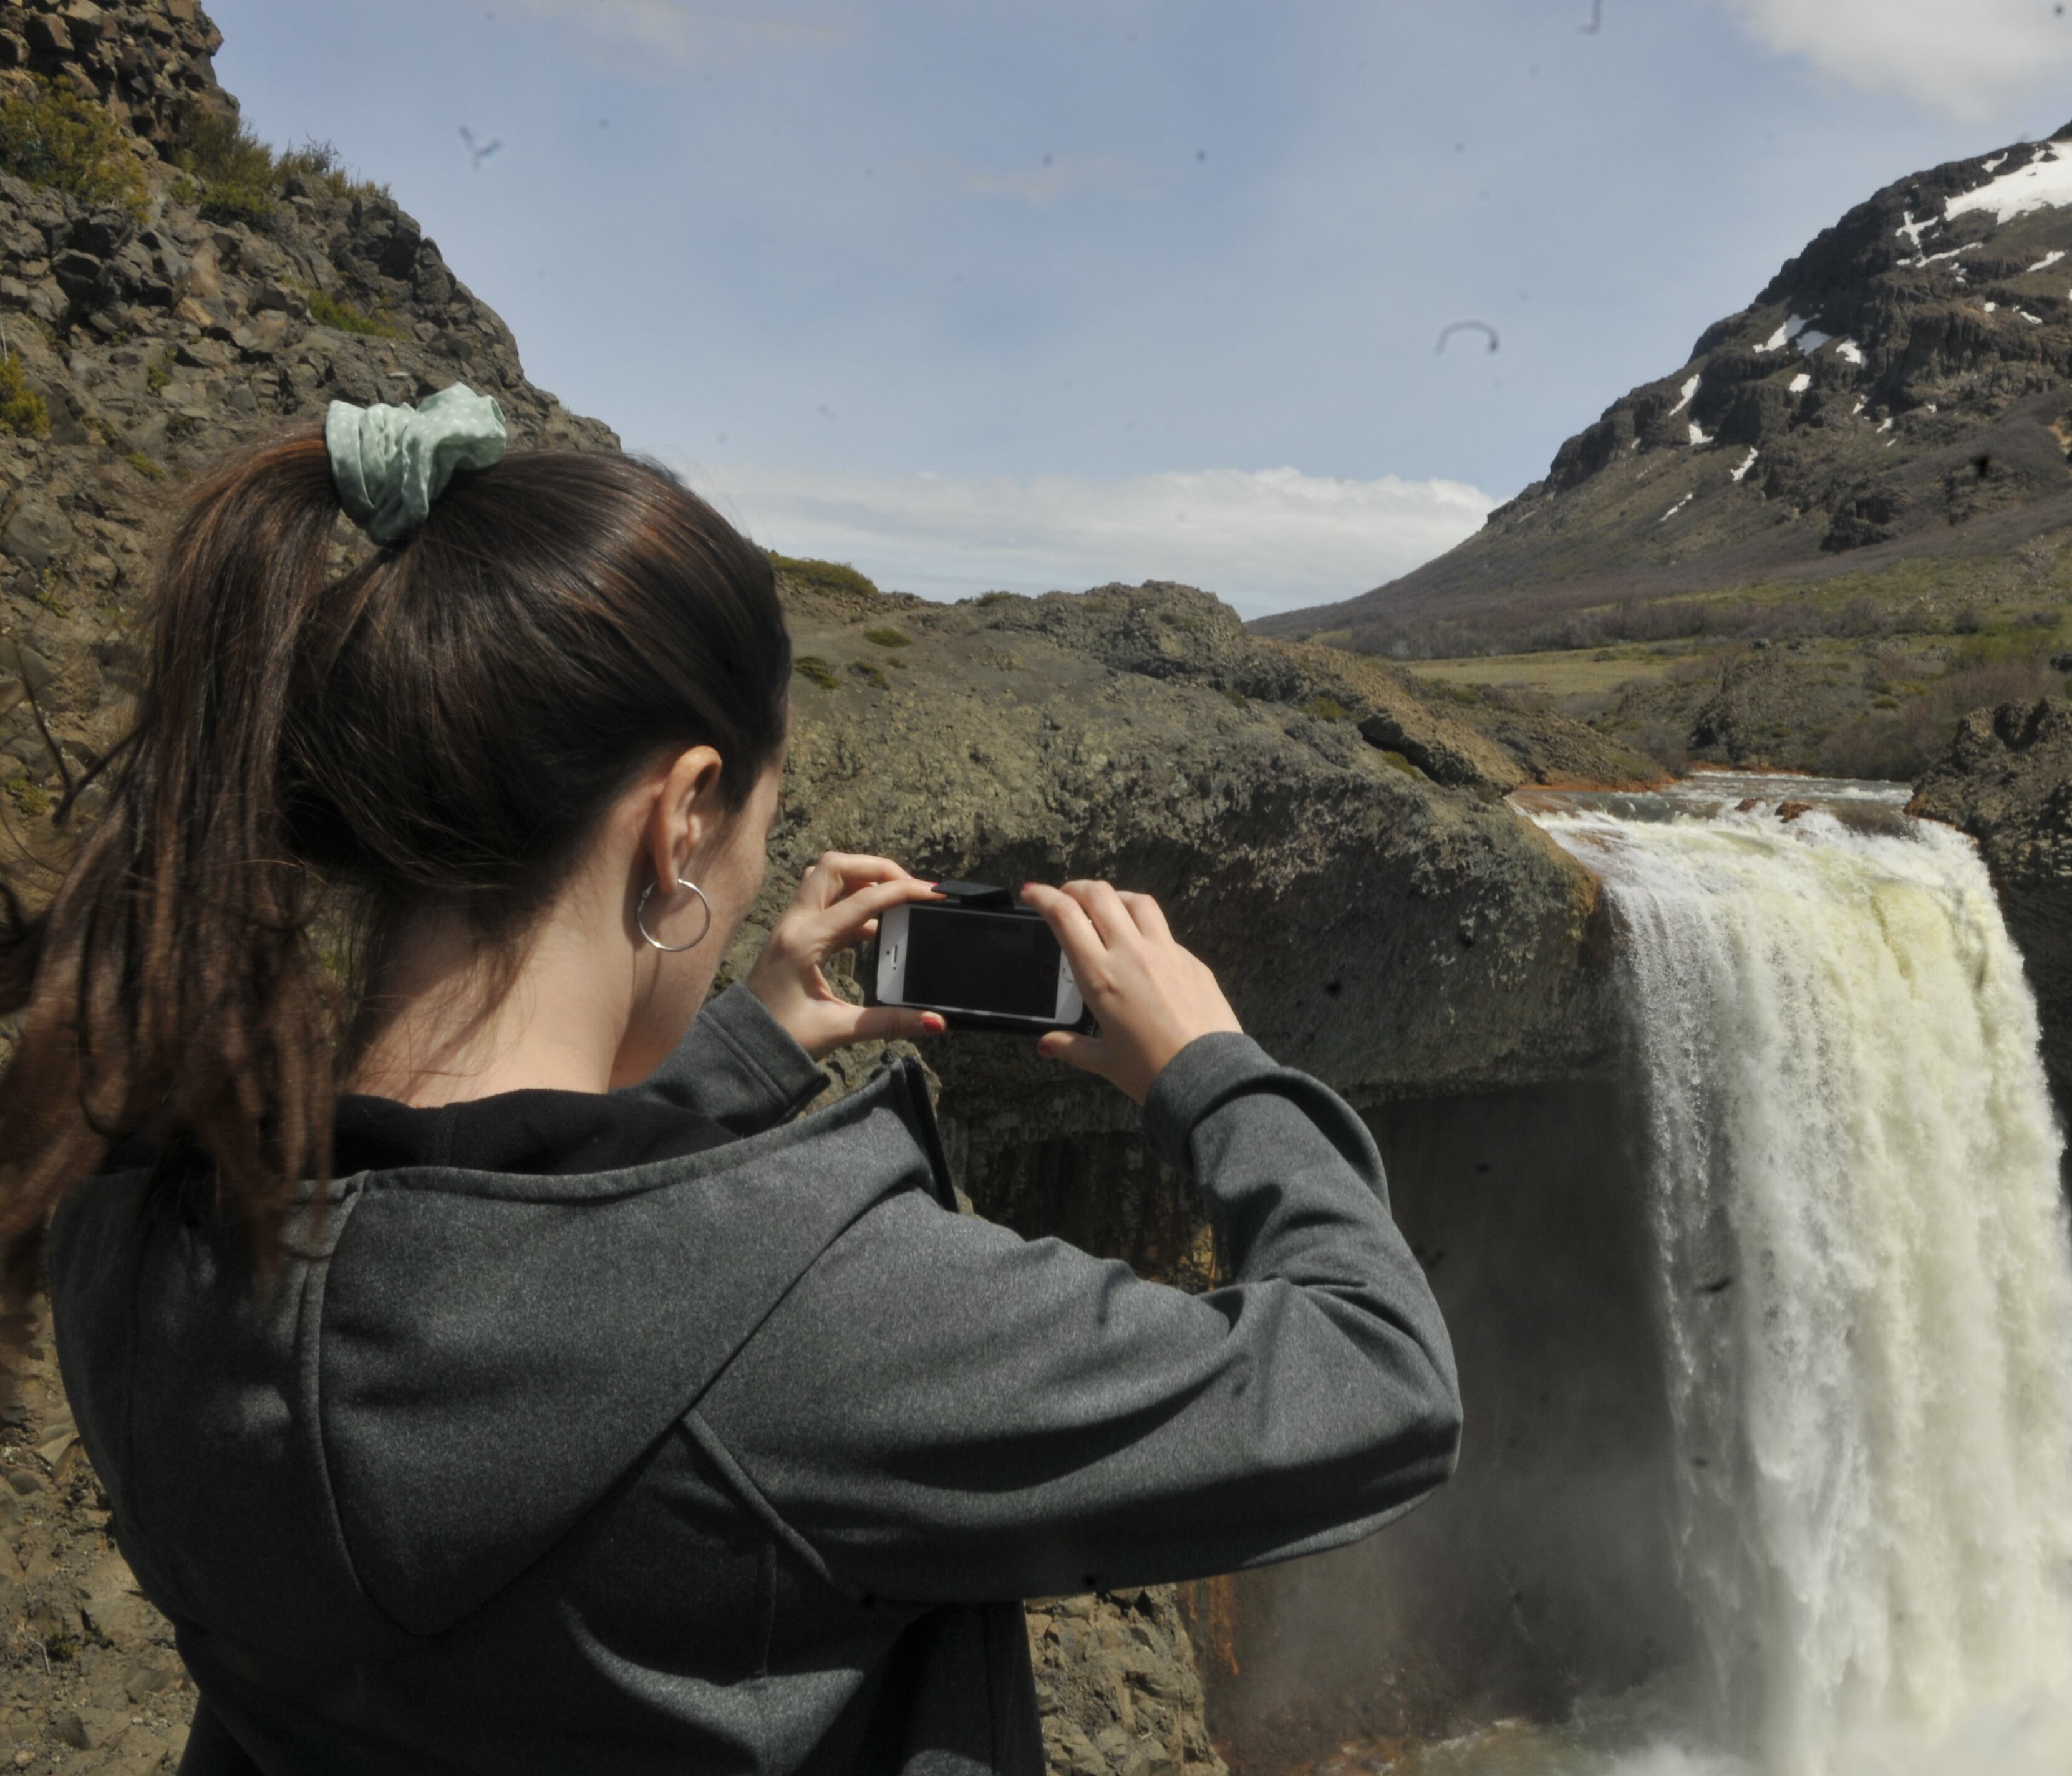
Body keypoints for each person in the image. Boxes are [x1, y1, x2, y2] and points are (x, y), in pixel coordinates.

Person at [0, 388, 1461, 1775]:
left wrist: (737, 1056)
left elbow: (485, 1242)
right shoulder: (836, 1326)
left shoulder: (128, 1231)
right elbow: (1378, 1383)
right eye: (752, 815)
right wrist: (1214, 1070)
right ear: (684, 816)